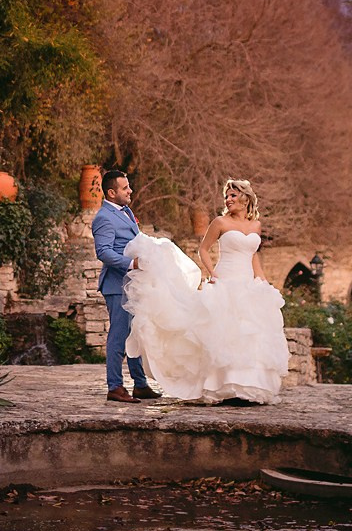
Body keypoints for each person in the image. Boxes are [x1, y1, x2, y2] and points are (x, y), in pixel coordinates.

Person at [121, 178, 290, 404]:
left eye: (233, 196)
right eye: (227, 196)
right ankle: (224, 388)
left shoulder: (256, 226)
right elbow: (203, 249)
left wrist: (263, 282)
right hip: (225, 280)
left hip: (247, 283)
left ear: (246, 198)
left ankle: (248, 389)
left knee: (250, 335)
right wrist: (212, 273)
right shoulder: (220, 222)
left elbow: (253, 256)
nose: (228, 200)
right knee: (224, 333)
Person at [92, 169, 158, 403]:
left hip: (134, 284)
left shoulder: (126, 212)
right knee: (118, 337)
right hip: (117, 285)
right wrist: (133, 263)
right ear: (111, 192)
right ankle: (115, 387)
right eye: (125, 188)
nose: (130, 190)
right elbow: (104, 252)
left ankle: (140, 384)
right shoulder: (103, 218)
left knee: (136, 334)